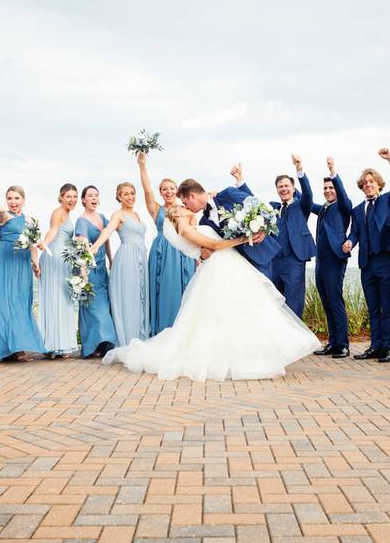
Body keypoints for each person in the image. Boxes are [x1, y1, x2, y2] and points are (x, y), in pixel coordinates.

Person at [102, 206, 319, 381]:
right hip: (220, 267)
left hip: (227, 264)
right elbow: (213, 245)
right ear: (176, 214)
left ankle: (254, 352)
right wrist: (244, 239)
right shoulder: (185, 230)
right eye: (181, 207)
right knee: (226, 311)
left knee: (245, 308)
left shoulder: (192, 224)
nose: (185, 207)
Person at [341, 149, 390, 362]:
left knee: (387, 306)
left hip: (386, 260)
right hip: (366, 263)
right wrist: (350, 241)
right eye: (365, 182)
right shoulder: (358, 209)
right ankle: (375, 346)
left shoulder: (387, 200)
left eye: (371, 181)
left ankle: (387, 347)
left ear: (378, 184)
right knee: (373, 306)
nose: (368, 184)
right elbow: (355, 232)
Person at [176, 165, 281, 280]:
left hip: (260, 255)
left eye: (185, 202)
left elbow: (261, 207)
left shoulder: (228, 194)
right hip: (237, 265)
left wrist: (263, 229)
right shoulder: (203, 222)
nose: (186, 207)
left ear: (192, 196)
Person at [0, 186, 46, 362]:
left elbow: (32, 243)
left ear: (23, 200)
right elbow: (0, 210)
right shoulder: (5, 215)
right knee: (0, 304)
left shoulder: (31, 220)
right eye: (9, 198)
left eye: (17, 198)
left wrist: (35, 263)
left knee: (19, 303)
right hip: (4, 259)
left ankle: (17, 346)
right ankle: (4, 346)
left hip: (22, 263)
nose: (13, 202)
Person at [137, 153, 196, 335]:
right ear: (161, 192)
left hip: (183, 252)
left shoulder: (188, 210)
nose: (168, 191)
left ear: (177, 191)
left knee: (185, 292)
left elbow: (195, 235)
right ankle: (163, 332)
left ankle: (183, 334)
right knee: (163, 292)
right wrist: (142, 166)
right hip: (162, 251)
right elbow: (147, 191)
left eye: (171, 188)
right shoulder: (157, 210)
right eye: (164, 189)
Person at [89, 182, 149, 346]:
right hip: (127, 257)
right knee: (129, 296)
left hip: (142, 256)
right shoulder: (118, 215)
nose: (130, 196)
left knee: (140, 296)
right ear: (119, 197)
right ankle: (129, 338)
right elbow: (107, 231)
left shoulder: (137, 214)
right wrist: (95, 246)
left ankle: (140, 336)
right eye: (125, 194)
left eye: (132, 193)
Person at [310, 157, 353, 358]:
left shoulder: (343, 205)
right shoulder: (323, 209)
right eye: (325, 188)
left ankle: (343, 344)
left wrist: (333, 172)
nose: (328, 190)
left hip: (335, 260)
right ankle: (333, 342)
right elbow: (306, 202)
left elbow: (342, 194)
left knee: (335, 301)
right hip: (321, 261)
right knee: (326, 302)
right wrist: (296, 185)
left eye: (331, 187)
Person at [269, 155, 316, 317]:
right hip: (275, 260)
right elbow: (252, 200)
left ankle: (297, 339)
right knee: (276, 301)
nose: (283, 189)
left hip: (294, 260)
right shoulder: (272, 208)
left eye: (286, 186)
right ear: (277, 190)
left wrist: (299, 169)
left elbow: (308, 194)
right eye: (280, 186)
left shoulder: (301, 205)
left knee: (294, 301)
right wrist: (240, 180)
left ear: (293, 188)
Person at [37, 183, 80, 357]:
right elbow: (53, 230)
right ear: (61, 197)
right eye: (69, 196)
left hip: (64, 258)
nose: (72, 199)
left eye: (75, 196)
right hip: (55, 256)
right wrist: (44, 244)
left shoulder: (67, 214)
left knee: (61, 299)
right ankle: (54, 345)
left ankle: (56, 344)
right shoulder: (58, 212)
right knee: (56, 298)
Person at [75, 186, 117, 358]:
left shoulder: (102, 218)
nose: (93, 198)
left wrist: (110, 259)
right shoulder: (81, 221)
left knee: (104, 304)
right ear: (83, 199)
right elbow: (82, 246)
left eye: (96, 195)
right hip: (88, 266)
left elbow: (105, 240)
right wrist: (83, 271)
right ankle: (99, 344)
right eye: (90, 195)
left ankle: (102, 344)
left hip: (101, 267)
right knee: (94, 306)